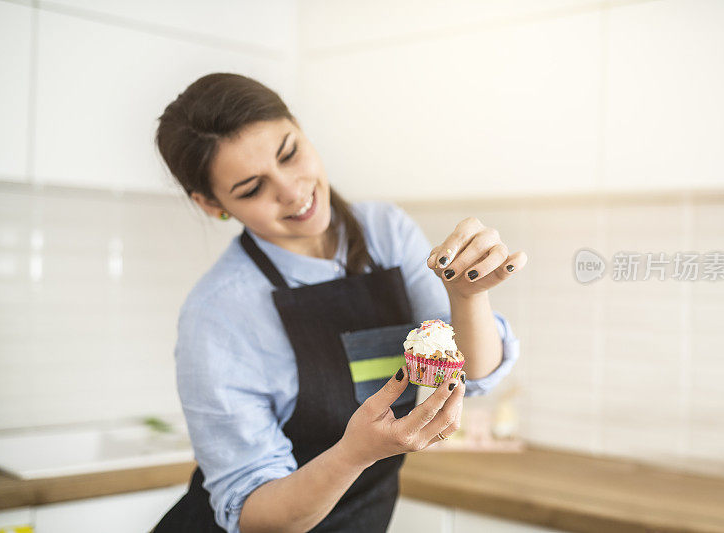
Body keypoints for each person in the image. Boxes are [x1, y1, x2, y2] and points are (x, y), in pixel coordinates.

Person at [151, 73, 527, 533]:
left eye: (289, 153)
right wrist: (355, 453)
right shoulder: (218, 315)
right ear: (212, 205)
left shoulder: (385, 231)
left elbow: (470, 374)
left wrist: (468, 296)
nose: (291, 191)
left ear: (299, 126)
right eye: (252, 188)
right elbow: (252, 515)